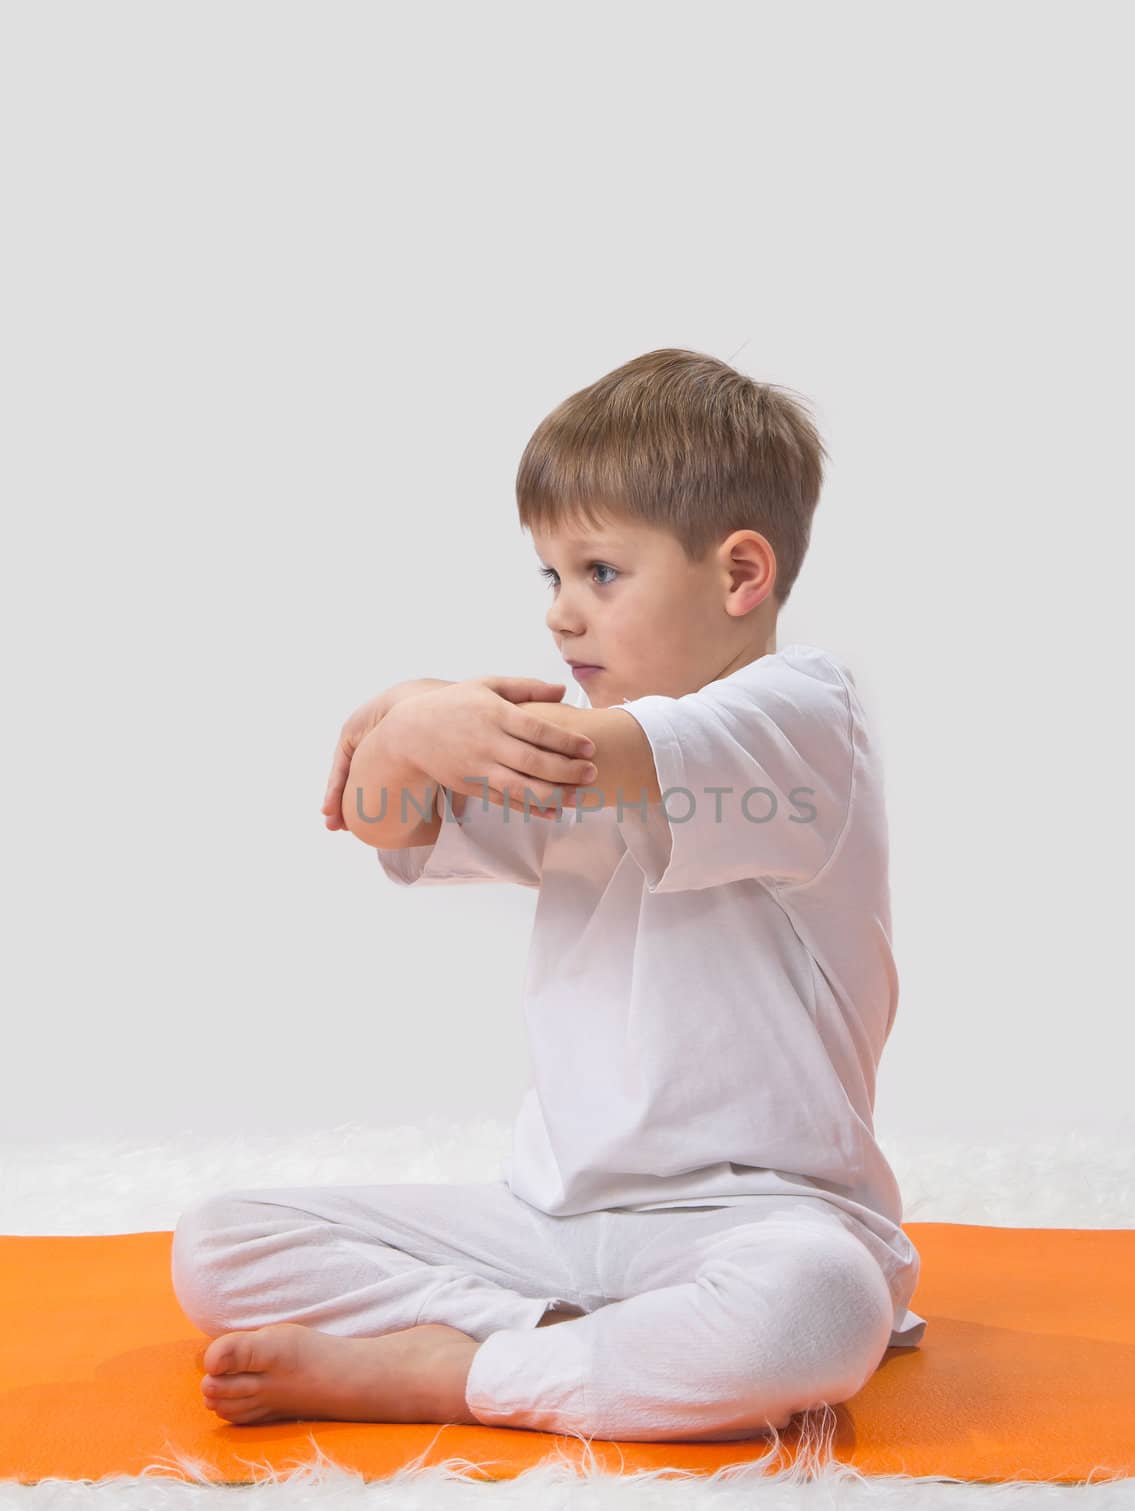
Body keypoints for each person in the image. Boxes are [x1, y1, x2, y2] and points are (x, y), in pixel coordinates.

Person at [171, 346, 926, 1443]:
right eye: (550, 577)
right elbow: (385, 814)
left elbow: (572, 753)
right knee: (219, 1243)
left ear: (739, 575)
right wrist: (407, 723)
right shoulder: (570, 748)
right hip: (553, 1218)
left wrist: (417, 708)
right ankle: (546, 1336)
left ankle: (455, 1372)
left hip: (758, 1219)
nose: (560, 617)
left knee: (819, 1307)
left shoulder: (802, 714)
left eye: (599, 573)